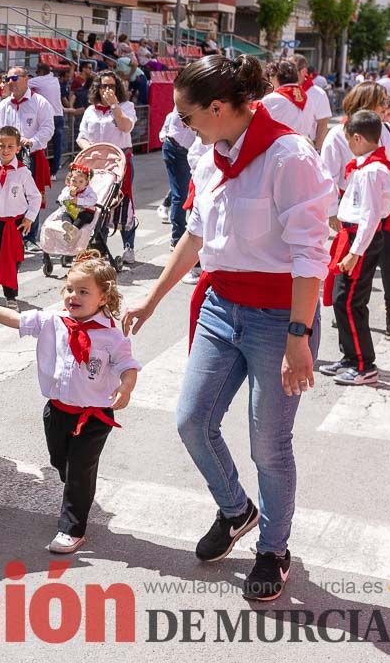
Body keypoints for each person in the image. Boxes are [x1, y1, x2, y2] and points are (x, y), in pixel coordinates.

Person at [123, 55, 334, 602]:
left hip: (277, 315)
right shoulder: (208, 154)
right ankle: (237, 509)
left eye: (187, 116)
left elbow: (312, 254)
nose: (182, 127)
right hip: (221, 306)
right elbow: (194, 235)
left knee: (269, 444)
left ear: (218, 108)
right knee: (193, 420)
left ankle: (273, 548)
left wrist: (298, 336)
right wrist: (150, 298)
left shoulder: (290, 156)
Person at [0, 251, 139, 553]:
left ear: (103, 298)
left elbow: (128, 364)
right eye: (70, 288)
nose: (73, 295)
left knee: (79, 471)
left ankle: (72, 528)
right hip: (57, 412)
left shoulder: (111, 336)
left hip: (94, 417)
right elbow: (17, 320)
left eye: (83, 291)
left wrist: (126, 386)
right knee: (60, 462)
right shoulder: (53, 321)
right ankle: (73, 483)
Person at [319, 83, 390, 335]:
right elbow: (328, 175)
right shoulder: (339, 134)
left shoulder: (386, 130)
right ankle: (347, 316)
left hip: (385, 203)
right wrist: (332, 210)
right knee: (351, 265)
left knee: (389, 260)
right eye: (381, 102)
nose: (386, 107)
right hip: (353, 205)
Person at [322, 111, 390, 386]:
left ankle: (364, 364)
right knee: (343, 298)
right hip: (352, 237)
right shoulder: (366, 167)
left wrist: (355, 252)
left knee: (351, 301)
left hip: (359, 240)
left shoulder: (372, 171)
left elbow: (371, 215)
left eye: (348, 141)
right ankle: (350, 356)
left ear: (357, 138)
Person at [0, 67, 54, 243]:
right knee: (7, 193)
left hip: (30, 155)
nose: (10, 82)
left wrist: (33, 141)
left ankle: (29, 236)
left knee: (31, 194)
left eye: (15, 77)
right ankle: (6, 229)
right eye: (7, 78)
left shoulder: (40, 103)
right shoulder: (3, 105)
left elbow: (47, 128)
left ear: (26, 78)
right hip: (6, 155)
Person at [77, 70, 137, 263]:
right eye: (104, 86)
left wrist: (114, 106)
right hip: (96, 164)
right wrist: (91, 150)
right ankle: (98, 245)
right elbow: (82, 136)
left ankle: (129, 246)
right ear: (98, 88)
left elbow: (126, 127)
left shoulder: (126, 106)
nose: (108, 89)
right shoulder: (90, 110)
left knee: (122, 203)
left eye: (111, 86)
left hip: (119, 162)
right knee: (96, 203)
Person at [0, 126, 41, 308]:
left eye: (10, 146)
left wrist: (29, 218)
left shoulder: (23, 172)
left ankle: (11, 296)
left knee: (12, 260)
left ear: (17, 148)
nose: (6, 150)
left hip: (13, 224)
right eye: (2, 145)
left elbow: (35, 197)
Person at [159, 108, 196, 249]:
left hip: (193, 152)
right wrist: (164, 135)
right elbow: (170, 122)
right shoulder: (185, 102)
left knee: (189, 191)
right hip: (174, 150)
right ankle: (177, 238)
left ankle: (192, 234)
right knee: (180, 195)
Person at [261, 60, 318, 143]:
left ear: (275, 77)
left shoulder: (271, 100)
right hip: (305, 147)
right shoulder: (308, 99)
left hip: (279, 150)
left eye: (270, 78)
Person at [29, 63, 66, 175]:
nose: (36, 74)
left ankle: (40, 170)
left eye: (37, 72)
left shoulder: (39, 80)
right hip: (59, 115)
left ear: (40, 72)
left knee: (40, 144)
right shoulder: (55, 79)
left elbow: (22, 84)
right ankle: (53, 172)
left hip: (47, 116)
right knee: (57, 146)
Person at [293, 54, 332, 148]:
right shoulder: (282, 91)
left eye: (291, 71)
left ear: (303, 71)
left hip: (308, 146)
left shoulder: (318, 94)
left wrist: (317, 149)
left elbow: (322, 124)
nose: (286, 74)